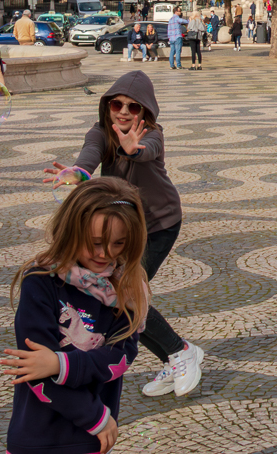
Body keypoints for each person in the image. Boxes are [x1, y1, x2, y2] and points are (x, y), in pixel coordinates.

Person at [41, 71, 205, 399]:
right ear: (108, 105)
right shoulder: (101, 132)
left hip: (159, 224)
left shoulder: (153, 135)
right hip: (123, 228)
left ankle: (179, 351)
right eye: (117, 103)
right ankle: (178, 355)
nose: (125, 111)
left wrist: (132, 148)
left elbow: (144, 150)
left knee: (126, 294)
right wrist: (79, 172)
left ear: (145, 112)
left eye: (134, 106)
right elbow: (89, 154)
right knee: (116, 298)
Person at [1, 177, 150, 454]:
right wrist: (94, 417)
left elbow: (120, 355)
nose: (105, 254)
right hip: (36, 437)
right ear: (71, 230)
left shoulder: (125, 288)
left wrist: (60, 364)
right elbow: (34, 369)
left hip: (89, 439)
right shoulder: (41, 281)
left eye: (118, 244)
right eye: (94, 242)